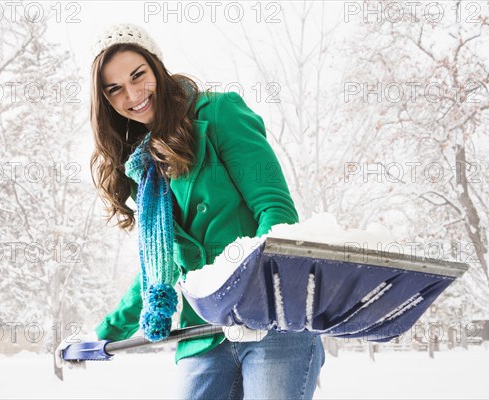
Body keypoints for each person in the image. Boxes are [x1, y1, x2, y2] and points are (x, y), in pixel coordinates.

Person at [83, 22, 325, 399]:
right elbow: (159, 265)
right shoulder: (144, 172)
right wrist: (105, 334)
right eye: (115, 89)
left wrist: (256, 294)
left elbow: (275, 211)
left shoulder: (220, 114)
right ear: (106, 101)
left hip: (272, 324)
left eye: (138, 76)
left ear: (157, 67)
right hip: (204, 335)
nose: (133, 94)